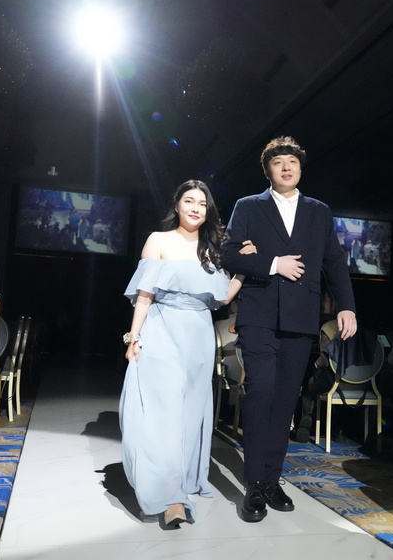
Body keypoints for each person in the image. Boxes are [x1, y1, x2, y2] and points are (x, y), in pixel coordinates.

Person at [220, 136, 357, 523]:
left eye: (292, 162)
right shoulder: (248, 206)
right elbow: (228, 253)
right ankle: (253, 484)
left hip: (300, 318)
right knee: (260, 393)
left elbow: (334, 262)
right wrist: (272, 263)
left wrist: (346, 306)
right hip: (258, 315)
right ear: (267, 170)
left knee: (284, 402)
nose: (286, 167)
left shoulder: (319, 211)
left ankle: (270, 480)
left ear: (300, 169)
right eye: (278, 162)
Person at [120, 180, 249, 529]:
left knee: (189, 414)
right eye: (189, 201)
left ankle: (180, 481)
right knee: (164, 415)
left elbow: (222, 298)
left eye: (202, 204)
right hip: (162, 330)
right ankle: (171, 497)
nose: (195, 208)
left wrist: (242, 268)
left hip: (199, 335)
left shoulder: (213, 249)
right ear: (177, 205)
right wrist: (134, 337)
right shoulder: (158, 240)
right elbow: (145, 295)